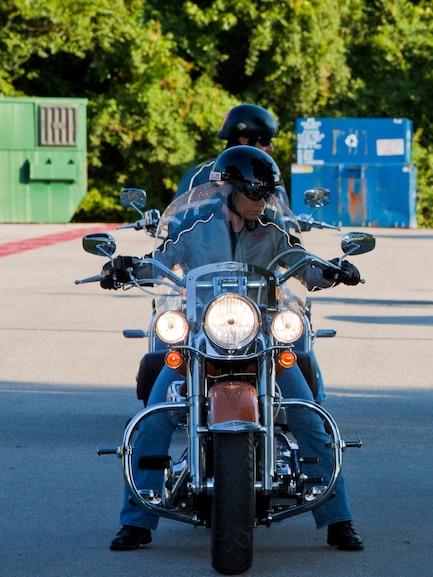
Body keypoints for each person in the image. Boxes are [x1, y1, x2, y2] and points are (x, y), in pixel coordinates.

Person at [105, 146, 366, 553]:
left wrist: (334, 270)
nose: (261, 201)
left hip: (259, 342)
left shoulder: (273, 233)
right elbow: (160, 261)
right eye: (253, 192)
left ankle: (338, 519)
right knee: (152, 418)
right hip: (200, 342)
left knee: (308, 414)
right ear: (229, 189)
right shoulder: (195, 231)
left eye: (266, 194)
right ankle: (137, 521)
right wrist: (124, 267)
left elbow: (304, 267)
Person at [174, 103, 280, 200]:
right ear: (243, 139)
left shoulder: (271, 178)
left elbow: (281, 218)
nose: (271, 148)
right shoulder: (199, 177)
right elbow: (177, 218)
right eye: (265, 141)